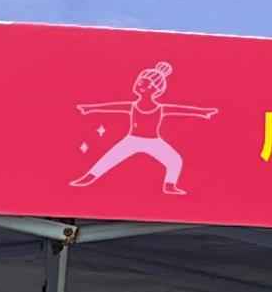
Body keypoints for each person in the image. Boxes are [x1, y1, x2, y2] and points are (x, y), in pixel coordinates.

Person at [66, 61, 216, 195]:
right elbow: (111, 107)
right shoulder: (133, 106)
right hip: (132, 140)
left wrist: (203, 112)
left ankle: (169, 186)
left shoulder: (160, 108)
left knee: (175, 160)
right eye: (139, 82)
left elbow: (182, 110)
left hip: (153, 141)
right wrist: (89, 108)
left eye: (143, 83)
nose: (138, 85)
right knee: (109, 158)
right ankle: (88, 178)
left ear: (154, 89)